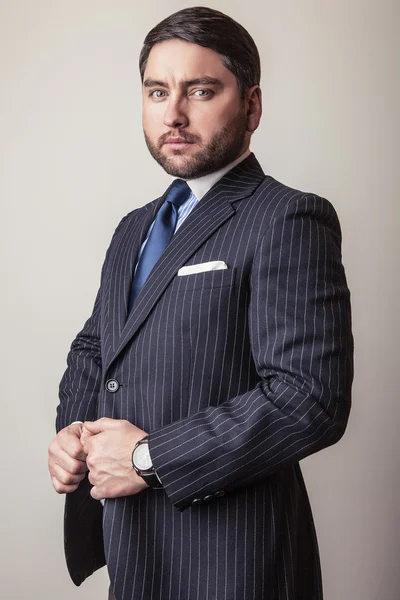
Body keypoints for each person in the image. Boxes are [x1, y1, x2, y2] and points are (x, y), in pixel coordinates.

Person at [48, 6, 353, 600]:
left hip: (234, 562)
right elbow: (98, 346)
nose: (175, 113)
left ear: (252, 106)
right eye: (158, 91)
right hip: (134, 554)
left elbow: (309, 397)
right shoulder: (133, 228)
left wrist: (146, 457)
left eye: (201, 90)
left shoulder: (287, 218)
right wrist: (72, 434)